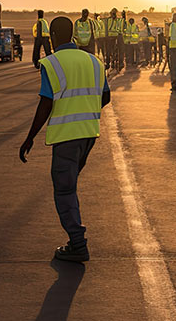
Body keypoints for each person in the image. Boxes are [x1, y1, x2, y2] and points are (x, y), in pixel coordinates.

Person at [19, 17, 110, 262]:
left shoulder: (51, 63)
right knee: (70, 186)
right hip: (89, 134)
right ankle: (76, 237)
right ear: (71, 35)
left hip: (66, 136)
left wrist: (29, 138)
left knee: (64, 189)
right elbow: (106, 96)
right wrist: (87, 110)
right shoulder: (94, 61)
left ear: (54, 37)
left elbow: (46, 103)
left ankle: (77, 243)